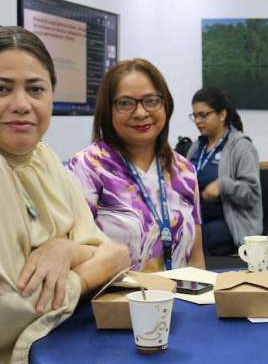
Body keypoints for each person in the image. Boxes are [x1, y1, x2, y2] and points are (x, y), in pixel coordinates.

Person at [0, 27, 129, 364]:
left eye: (35, 89)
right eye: (2, 88)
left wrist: (61, 249)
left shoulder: (45, 160)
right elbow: (17, 303)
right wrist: (89, 261)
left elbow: (102, 244)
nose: (20, 103)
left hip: (54, 363)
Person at [68, 58, 205, 272]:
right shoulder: (87, 167)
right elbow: (75, 257)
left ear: (165, 104)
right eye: (125, 103)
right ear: (108, 110)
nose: (141, 112)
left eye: (151, 100)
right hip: (116, 302)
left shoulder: (184, 170)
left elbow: (196, 261)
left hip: (181, 302)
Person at [186, 88, 261, 256]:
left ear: (222, 115)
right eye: (195, 116)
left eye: (203, 115)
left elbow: (251, 194)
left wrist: (223, 184)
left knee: (199, 237)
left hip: (231, 221)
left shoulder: (241, 147)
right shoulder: (196, 147)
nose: (198, 121)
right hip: (197, 216)